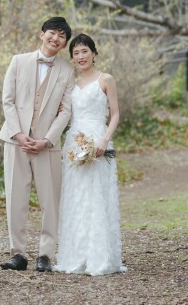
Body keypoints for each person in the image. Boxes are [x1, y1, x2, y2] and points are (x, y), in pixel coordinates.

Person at [0, 16, 75, 272]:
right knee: (15, 198)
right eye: (52, 33)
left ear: (64, 44)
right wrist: (18, 134)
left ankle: (45, 255)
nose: (56, 38)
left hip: (47, 145)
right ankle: (17, 254)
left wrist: (46, 140)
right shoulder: (18, 61)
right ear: (41, 34)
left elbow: (66, 111)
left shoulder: (67, 71)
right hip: (16, 142)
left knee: (50, 201)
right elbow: (7, 100)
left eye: (61, 36)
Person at [54, 33, 127, 276]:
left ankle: (100, 256)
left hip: (99, 140)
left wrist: (104, 140)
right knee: (77, 197)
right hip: (74, 143)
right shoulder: (71, 84)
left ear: (94, 53)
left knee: (97, 195)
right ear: (72, 58)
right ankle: (77, 255)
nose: (81, 56)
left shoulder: (105, 79)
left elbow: (115, 114)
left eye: (85, 51)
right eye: (76, 53)